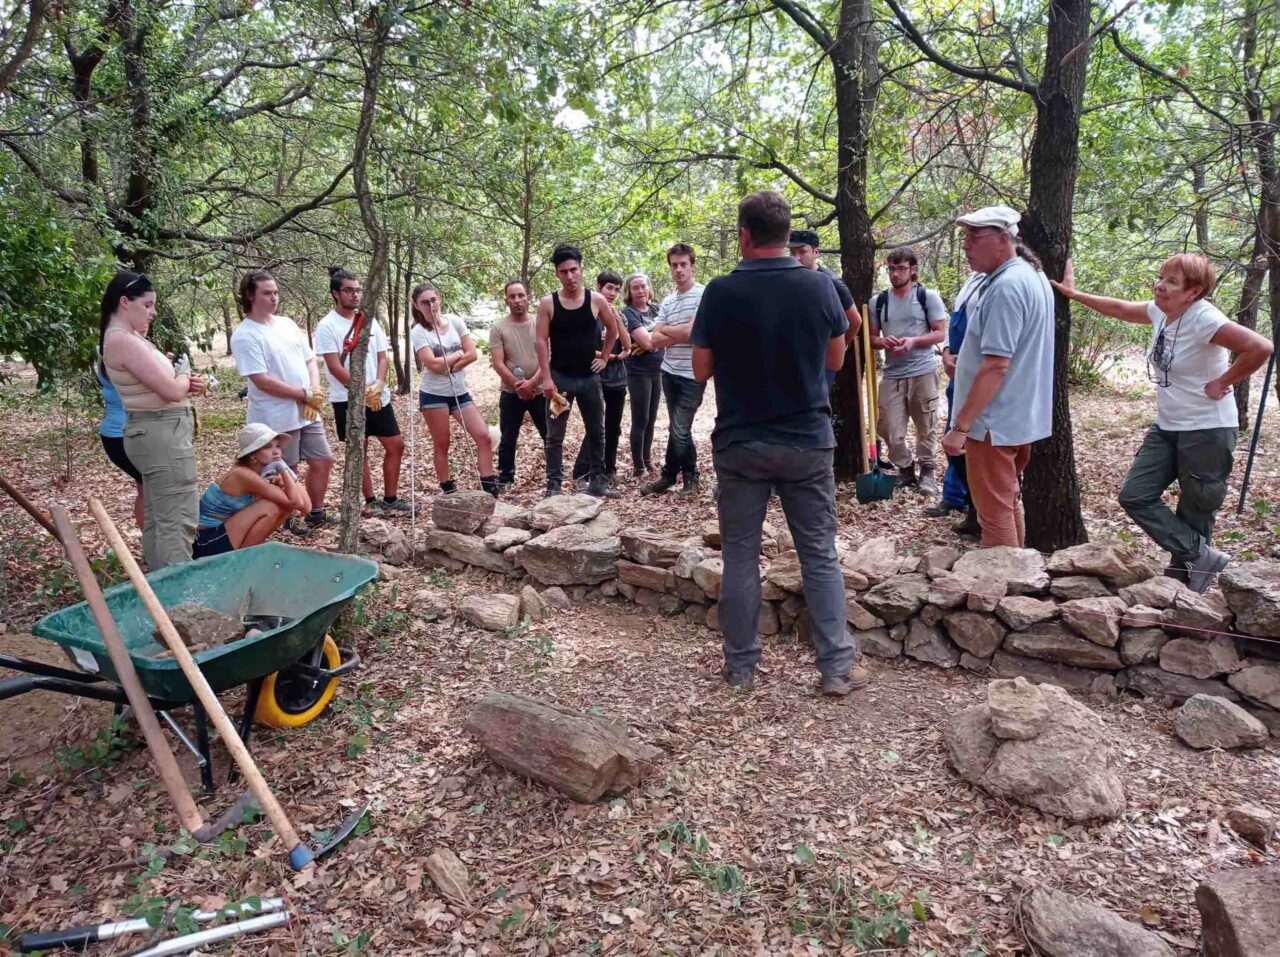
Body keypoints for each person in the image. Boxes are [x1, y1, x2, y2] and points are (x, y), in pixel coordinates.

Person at [690, 189, 863, 696]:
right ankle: (835, 668)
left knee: (741, 556)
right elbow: (835, 361)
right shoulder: (821, 288)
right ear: (789, 237)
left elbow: (701, 368)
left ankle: (741, 666)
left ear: (744, 235)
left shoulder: (720, 292)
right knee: (818, 554)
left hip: (741, 442)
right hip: (807, 442)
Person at [1052, 254, 1272, 592]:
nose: (1161, 285)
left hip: (1207, 428)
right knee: (1135, 495)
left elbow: (1260, 347)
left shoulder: (1205, 319)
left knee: (1196, 508)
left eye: (1172, 281)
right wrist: (1075, 294)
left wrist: (1224, 380)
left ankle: (1185, 585)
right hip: (1168, 426)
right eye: (1161, 277)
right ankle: (1201, 556)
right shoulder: (1161, 312)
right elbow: (1121, 309)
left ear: (1193, 291)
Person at [942, 205, 1054, 548]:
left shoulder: (1007, 286)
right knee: (1006, 502)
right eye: (966, 237)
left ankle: (1001, 590)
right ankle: (1019, 581)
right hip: (1016, 416)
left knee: (993, 512)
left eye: (975, 237)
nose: (966, 246)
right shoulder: (1028, 276)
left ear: (1004, 239)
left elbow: (996, 365)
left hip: (992, 422)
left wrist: (960, 427)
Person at [100, 271, 205, 568]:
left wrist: (181, 381)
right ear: (124, 302)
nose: (153, 312)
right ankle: (180, 600)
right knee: (178, 518)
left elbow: (161, 384)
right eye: (147, 305)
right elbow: (171, 390)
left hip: (156, 433)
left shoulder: (129, 338)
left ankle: (162, 594)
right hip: (160, 434)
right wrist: (184, 377)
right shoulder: (122, 340)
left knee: (160, 518)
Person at [230, 269, 334, 535]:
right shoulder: (245, 334)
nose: (274, 297)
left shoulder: (287, 323)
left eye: (276, 292)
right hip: (274, 415)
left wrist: (315, 389)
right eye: (267, 293)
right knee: (285, 468)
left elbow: (310, 359)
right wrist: (302, 394)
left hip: (306, 410)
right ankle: (289, 517)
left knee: (323, 459)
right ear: (250, 296)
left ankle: (315, 511)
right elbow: (261, 379)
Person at [315, 267, 408, 515]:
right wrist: (361, 390)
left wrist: (378, 383)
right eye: (349, 290)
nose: (355, 295)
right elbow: (334, 366)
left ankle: (391, 498)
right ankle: (370, 501)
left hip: (378, 396)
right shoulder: (327, 326)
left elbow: (382, 356)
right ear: (335, 293)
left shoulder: (368, 320)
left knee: (395, 444)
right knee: (360, 448)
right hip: (346, 398)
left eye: (358, 290)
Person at [535, 243, 622, 498]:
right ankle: (554, 485)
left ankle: (598, 480)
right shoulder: (548, 303)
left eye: (574, 270)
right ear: (557, 274)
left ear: (581, 270)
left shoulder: (595, 300)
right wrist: (547, 379)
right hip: (560, 378)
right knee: (555, 435)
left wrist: (605, 357)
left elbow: (613, 329)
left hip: (589, 378)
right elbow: (540, 341)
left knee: (597, 430)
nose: (570, 276)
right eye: (564, 272)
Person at [868, 246, 947, 496]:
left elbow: (940, 332)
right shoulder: (878, 301)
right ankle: (904, 467)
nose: (895, 274)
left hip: (923, 370)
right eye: (891, 268)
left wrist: (912, 341)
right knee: (888, 426)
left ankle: (927, 471)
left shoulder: (927, 297)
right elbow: (871, 338)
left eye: (901, 268)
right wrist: (883, 342)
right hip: (892, 372)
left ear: (913, 270)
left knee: (926, 424)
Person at [410, 282, 500, 496]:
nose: (430, 305)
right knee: (442, 443)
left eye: (433, 299)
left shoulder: (455, 322)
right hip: (433, 395)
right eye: (424, 302)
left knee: (484, 436)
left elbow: (473, 353)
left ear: (438, 298)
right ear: (416, 305)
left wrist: (450, 364)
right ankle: (448, 487)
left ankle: (488, 483)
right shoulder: (418, 331)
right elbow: (431, 364)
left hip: (459, 391)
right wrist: (458, 355)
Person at [641, 243, 707, 496]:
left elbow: (693, 333)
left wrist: (670, 331)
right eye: (674, 265)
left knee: (679, 429)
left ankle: (680, 476)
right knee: (679, 428)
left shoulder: (703, 295)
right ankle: (679, 476)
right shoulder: (668, 300)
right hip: (668, 371)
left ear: (692, 265)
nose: (678, 270)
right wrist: (678, 332)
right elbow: (654, 340)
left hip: (692, 374)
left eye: (683, 265)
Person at [192, 424, 312, 558]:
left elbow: (306, 507)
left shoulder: (266, 473)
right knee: (271, 505)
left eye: (277, 446)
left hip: (222, 535)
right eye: (267, 447)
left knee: (283, 505)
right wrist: (283, 468)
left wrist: (287, 474)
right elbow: (294, 502)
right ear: (252, 454)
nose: (276, 451)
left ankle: (246, 557)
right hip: (203, 542)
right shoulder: (243, 475)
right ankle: (244, 560)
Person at [925, 270, 985, 535]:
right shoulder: (971, 280)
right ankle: (967, 502)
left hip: (982, 380)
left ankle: (982, 511)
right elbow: (955, 326)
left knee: (978, 446)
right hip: (958, 380)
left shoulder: (1004, 282)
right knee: (955, 445)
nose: (968, 246)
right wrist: (947, 353)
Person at [572, 270, 631, 490]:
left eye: (616, 289)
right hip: (596, 374)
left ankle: (609, 469)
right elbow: (586, 347)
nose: (613, 293)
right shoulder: (589, 313)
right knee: (596, 426)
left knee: (614, 427)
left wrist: (617, 322)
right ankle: (582, 471)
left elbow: (627, 345)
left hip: (618, 378)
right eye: (609, 288)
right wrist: (610, 357)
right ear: (598, 287)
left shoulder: (617, 314)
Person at [490, 279, 548, 489]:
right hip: (511, 392)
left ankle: (554, 476)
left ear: (528, 297)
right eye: (512, 296)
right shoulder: (498, 327)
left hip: (541, 391)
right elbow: (498, 363)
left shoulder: (540, 323)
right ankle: (506, 477)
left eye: (520, 295)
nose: (517, 300)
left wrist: (532, 384)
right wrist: (520, 386)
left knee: (549, 434)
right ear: (506, 300)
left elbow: (548, 357)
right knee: (508, 436)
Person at [787, 229, 862, 388]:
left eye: (802, 251)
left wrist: (840, 346)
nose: (796, 257)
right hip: (798, 360)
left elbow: (855, 320)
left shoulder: (831, 282)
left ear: (816, 252)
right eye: (792, 252)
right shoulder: (791, 279)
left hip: (823, 364)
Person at [621, 272, 663, 477]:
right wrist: (653, 340)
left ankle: (647, 459)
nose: (640, 291)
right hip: (638, 372)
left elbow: (669, 330)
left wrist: (650, 340)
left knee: (652, 418)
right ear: (629, 291)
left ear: (649, 289)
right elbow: (647, 342)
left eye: (643, 286)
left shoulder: (656, 308)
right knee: (641, 418)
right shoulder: (628, 313)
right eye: (635, 287)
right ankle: (639, 466)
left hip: (658, 369)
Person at [97, 365, 144, 530]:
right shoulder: (121, 353)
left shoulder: (104, 353)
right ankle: (155, 545)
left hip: (115, 434)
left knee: (145, 489)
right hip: (125, 435)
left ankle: (151, 543)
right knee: (154, 491)